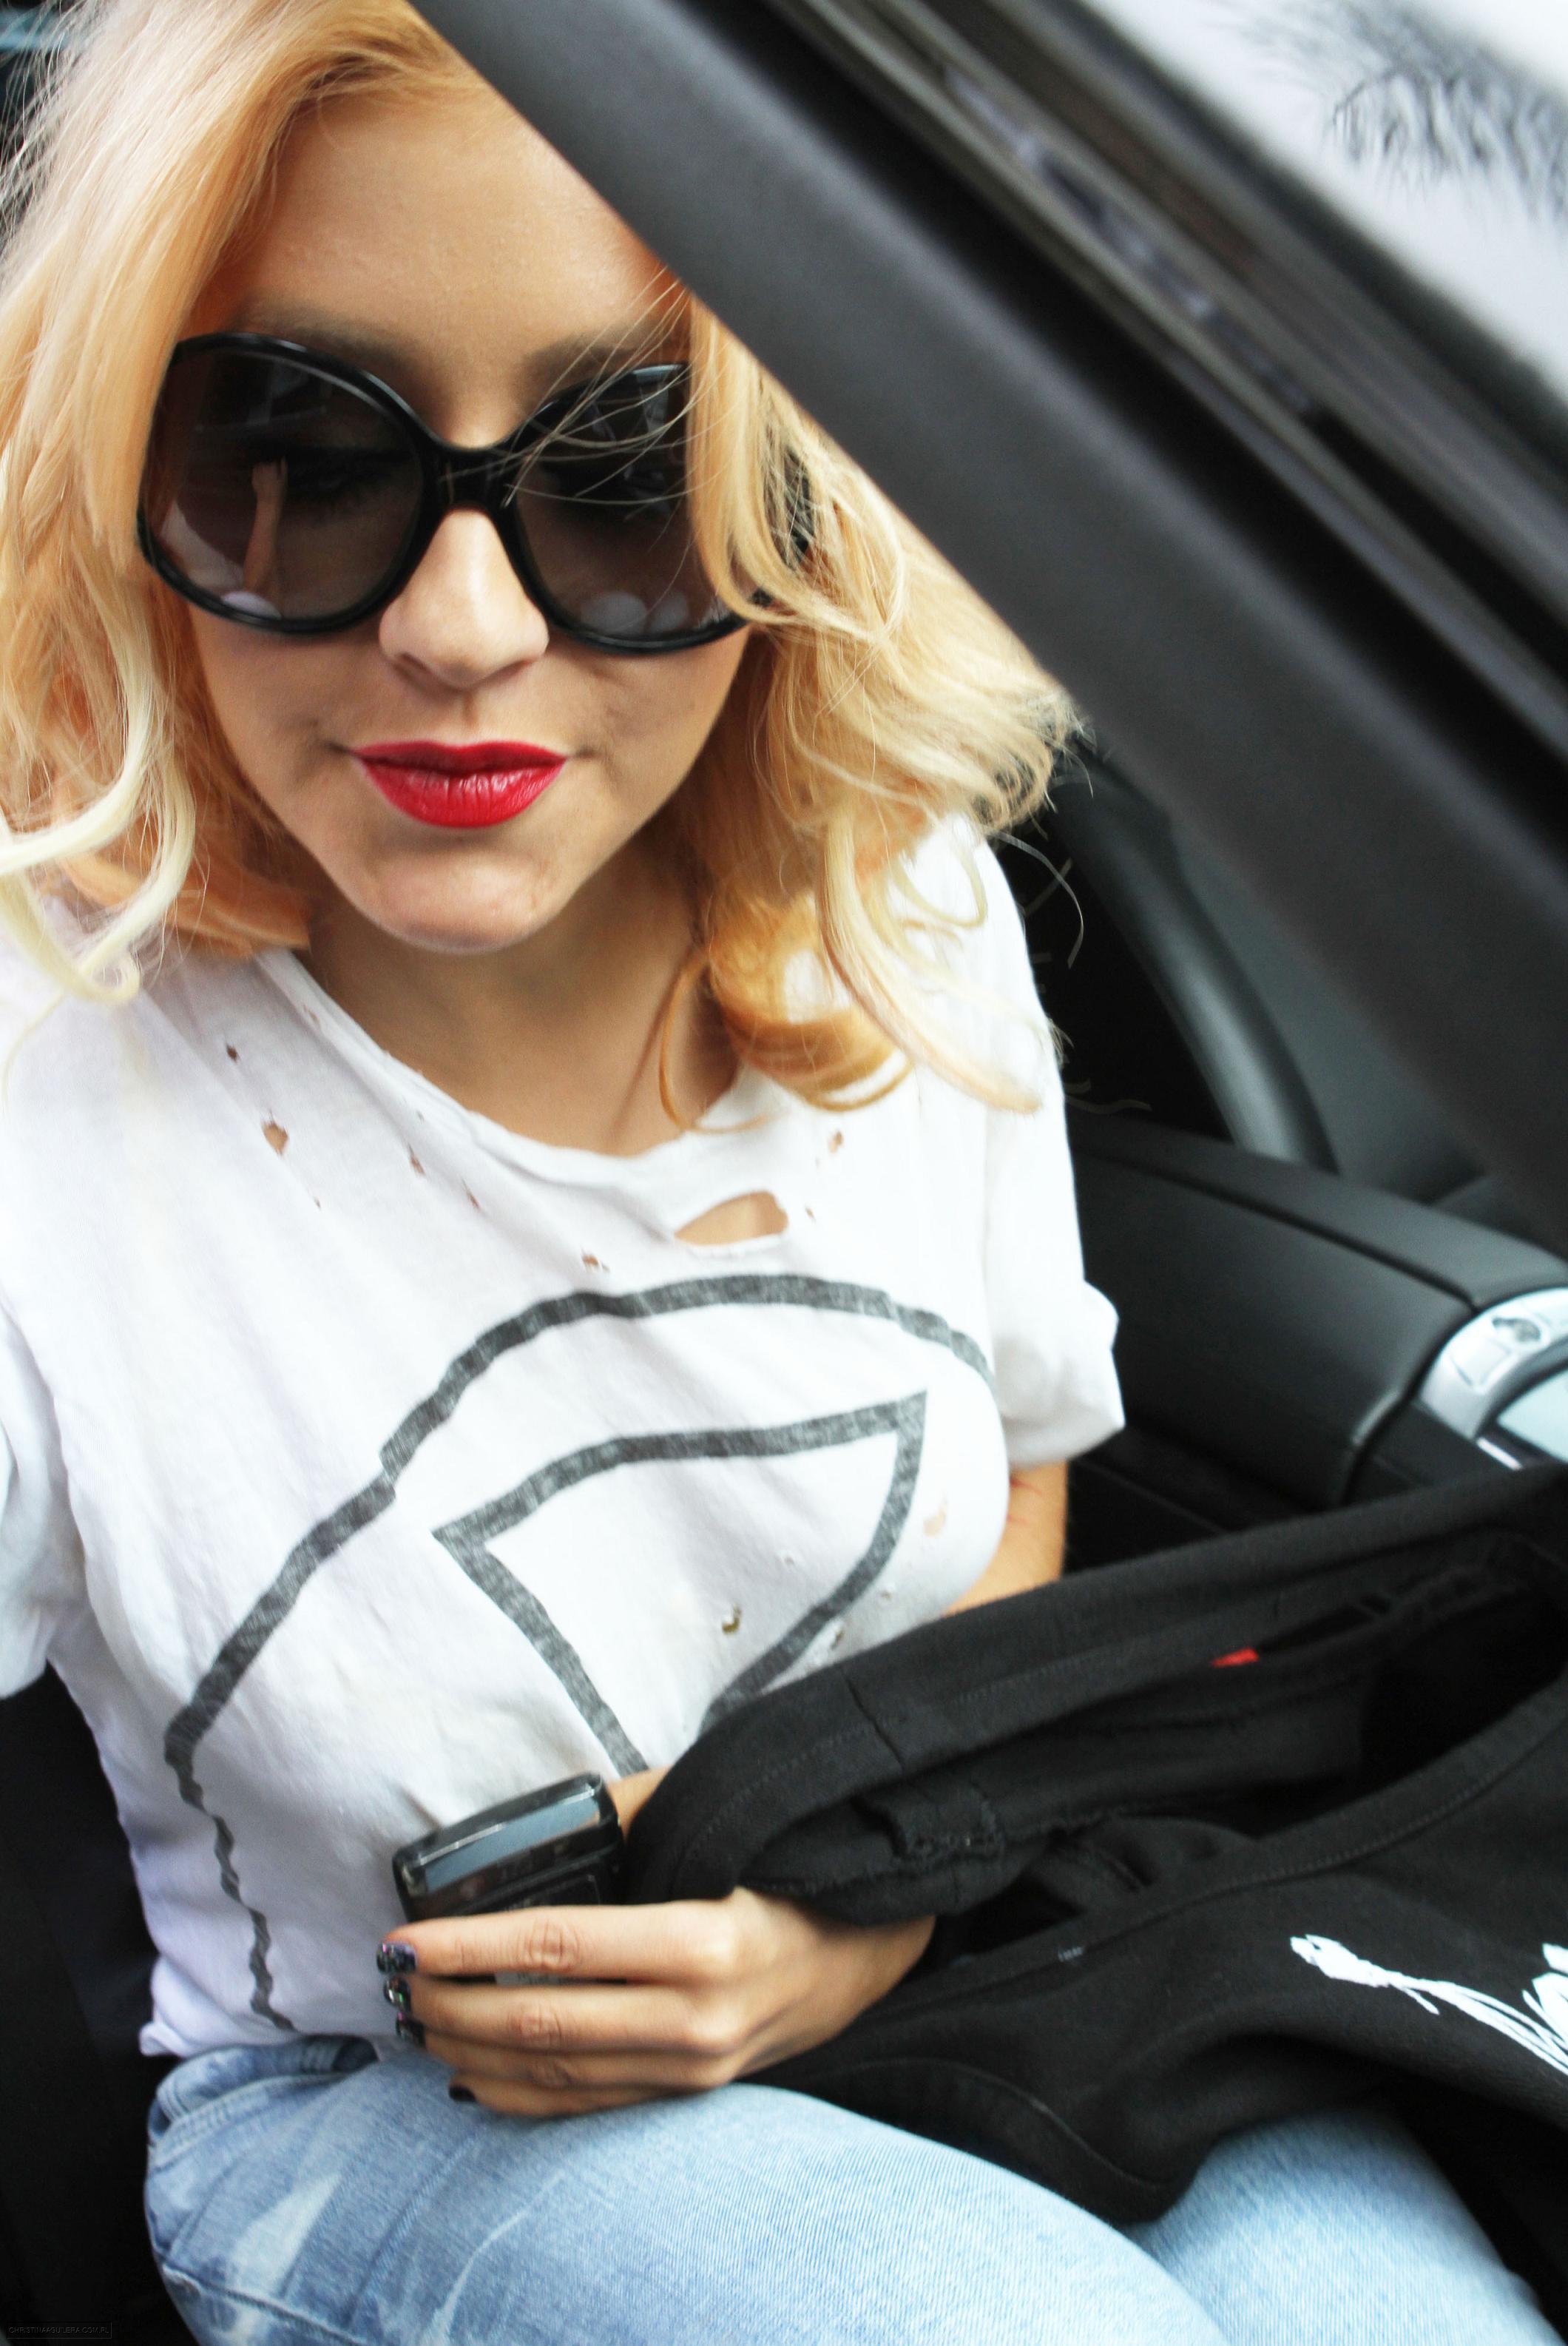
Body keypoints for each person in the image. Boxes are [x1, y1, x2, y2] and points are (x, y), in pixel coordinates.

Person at [0, 2, 1552, 2340]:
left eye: (623, 469)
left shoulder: (895, 910)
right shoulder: (49, 1095)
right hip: (364, 2101)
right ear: (113, 468)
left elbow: (1020, 1467)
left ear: (793, 502)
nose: (462, 629)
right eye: (294, 451)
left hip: (978, 1948)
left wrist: (862, 1918)